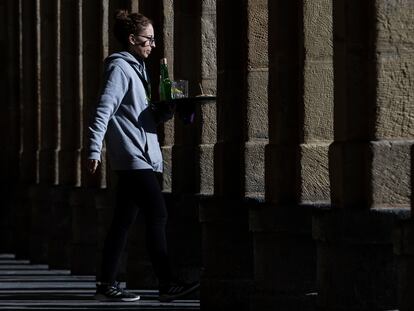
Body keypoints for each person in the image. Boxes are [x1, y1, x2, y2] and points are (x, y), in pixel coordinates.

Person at [86, 10, 199, 302]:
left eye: (154, 39)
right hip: (134, 157)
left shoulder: (137, 69)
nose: (153, 45)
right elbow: (104, 109)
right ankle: (167, 283)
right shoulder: (120, 68)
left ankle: (105, 284)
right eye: (148, 39)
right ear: (132, 39)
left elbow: (137, 116)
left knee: (122, 223)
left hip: (141, 155)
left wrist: (166, 110)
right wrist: (93, 149)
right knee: (158, 215)